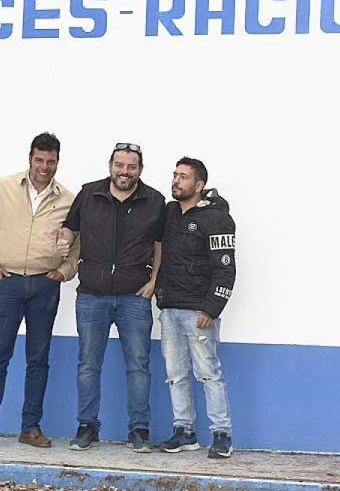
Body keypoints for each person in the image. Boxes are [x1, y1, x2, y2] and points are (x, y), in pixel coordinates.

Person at [0, 132, 80, 450]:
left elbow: (77, 245)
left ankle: (31, 428)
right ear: (30, 158)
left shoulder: (68, 200)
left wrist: (64, 272)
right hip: (7, 284)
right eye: (39, 160)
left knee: (38, 359)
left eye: (51, 161)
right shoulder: (2, 188)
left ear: (58, 161)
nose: (44, 167)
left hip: (45, 286)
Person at [57, 142, 166, 452]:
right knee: (88, 365)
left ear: (140, 170)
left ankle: (139, 430)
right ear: (110, 166)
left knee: (139, 366)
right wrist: (63, 240)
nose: (125, 172)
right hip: (92, 295)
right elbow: (69, 228)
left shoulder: (154, 201)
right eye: (120, 165)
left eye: (131, 167)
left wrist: (154, 281)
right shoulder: (89, 194)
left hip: (134, 297)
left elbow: (160, 245)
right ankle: (87, 426)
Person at [153, 157, 237, 459]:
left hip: (200, 313)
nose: (176, 181)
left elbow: (226, 270)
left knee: (209, 374)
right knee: (175, 374)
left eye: (183, 177)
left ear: (199, 185)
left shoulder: (217, 219)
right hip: (170, 310)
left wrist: (211, 309)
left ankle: (221, 434)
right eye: (174, 175)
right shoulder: (170, 212)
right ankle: (185, 432)